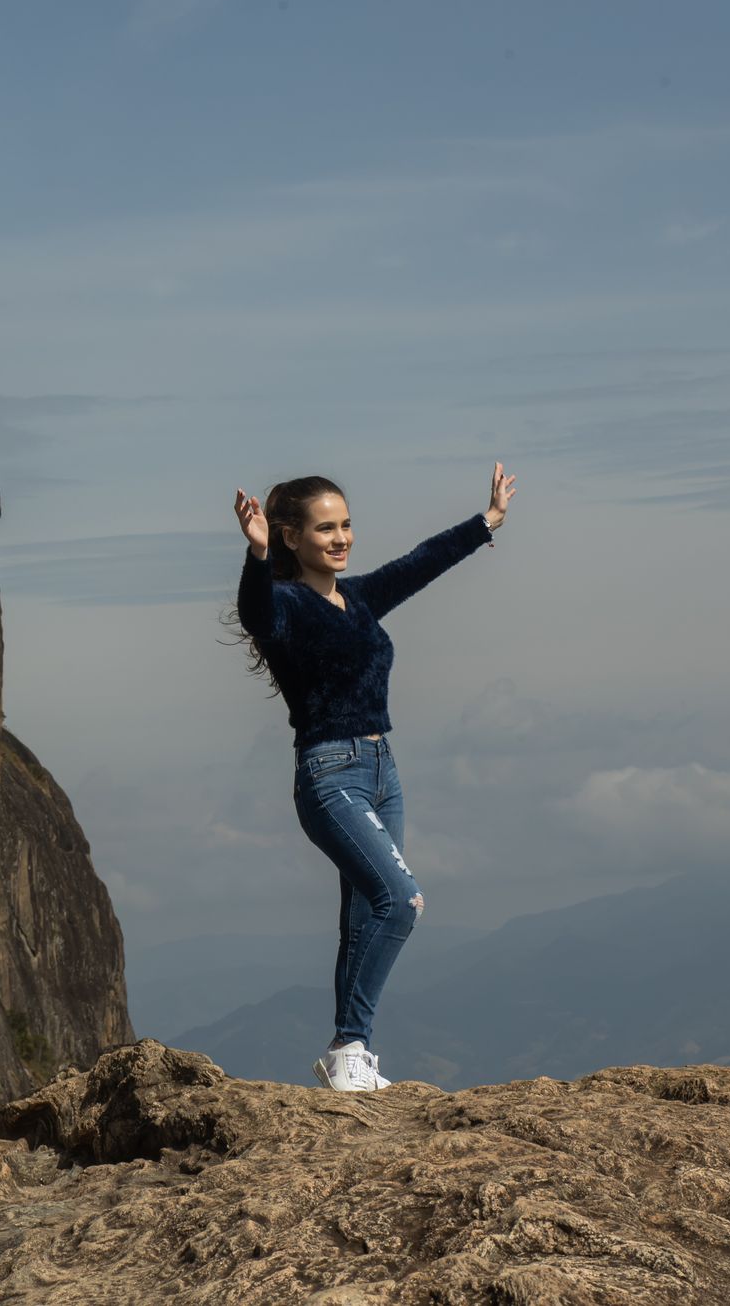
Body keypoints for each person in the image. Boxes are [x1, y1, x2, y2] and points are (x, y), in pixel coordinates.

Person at [229, 463, 516, 1092]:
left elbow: (420, 563)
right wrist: (253, 555)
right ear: (290, 538)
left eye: (347, 525)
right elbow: (255, 612)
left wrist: (486, 522)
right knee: (403, 901)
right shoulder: (286, 607)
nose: (341, 538)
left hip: (384, 771)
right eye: (325, 528)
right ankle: (348, 1046)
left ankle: (353, 1055)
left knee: (364, 913)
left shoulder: (354, 599)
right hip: (330, 774)